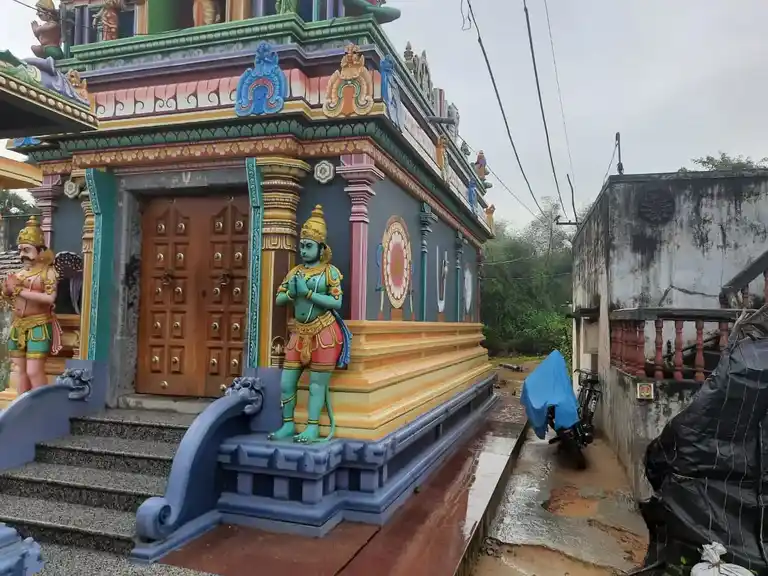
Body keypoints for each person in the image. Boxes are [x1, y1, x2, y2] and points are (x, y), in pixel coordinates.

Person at [1, 216, 62, 394]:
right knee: (21, 373)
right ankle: (22, 412)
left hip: (39, 325)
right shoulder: (18, 274)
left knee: (34, 371)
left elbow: (50, 299)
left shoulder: (48, 272)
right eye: (20, 250)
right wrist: (6, 291)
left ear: (40, 250)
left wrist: (19, 291)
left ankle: (41, 410)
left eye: (27, 250)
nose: (22, 255)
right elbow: (8, 300)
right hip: (18, 326)